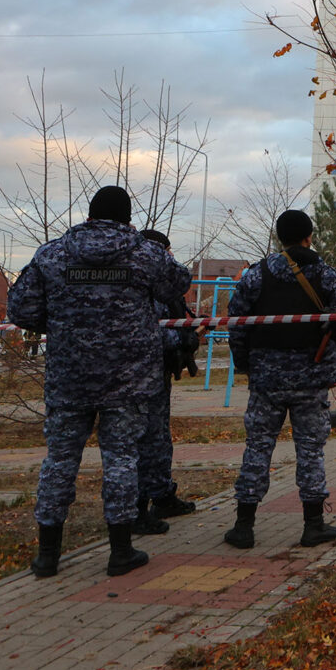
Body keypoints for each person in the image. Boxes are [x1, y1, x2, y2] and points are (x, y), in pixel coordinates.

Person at [7, 185, 192, 577]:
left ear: (89, 215)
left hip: (68, 381)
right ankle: (121, 551)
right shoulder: (147, 254)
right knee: (122, 460)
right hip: (127, 381)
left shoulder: (52, 254)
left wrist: (63, 322)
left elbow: (20, 310)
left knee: (58, 461)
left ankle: (47, 556)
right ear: (127, 218)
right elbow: (178, 284)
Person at [223, 209, 336, 549]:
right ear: (309, 237)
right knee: (310, 450)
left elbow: (236, 324)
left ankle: (243, 526)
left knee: (257, 447)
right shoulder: (327, 276)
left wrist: (245, 365)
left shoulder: (257, 275)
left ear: (279, 238)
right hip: (311, 380)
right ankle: (313, 525)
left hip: (266, 380)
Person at [132, 229, 201, 535]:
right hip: (142, 374)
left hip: (156, 373)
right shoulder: (148, 283)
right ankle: (139, 507)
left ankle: (162, 495)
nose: (171, 257)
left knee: (158, 437)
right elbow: (153, 330)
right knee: (145, 439)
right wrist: (182, 339)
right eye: (168, 251)